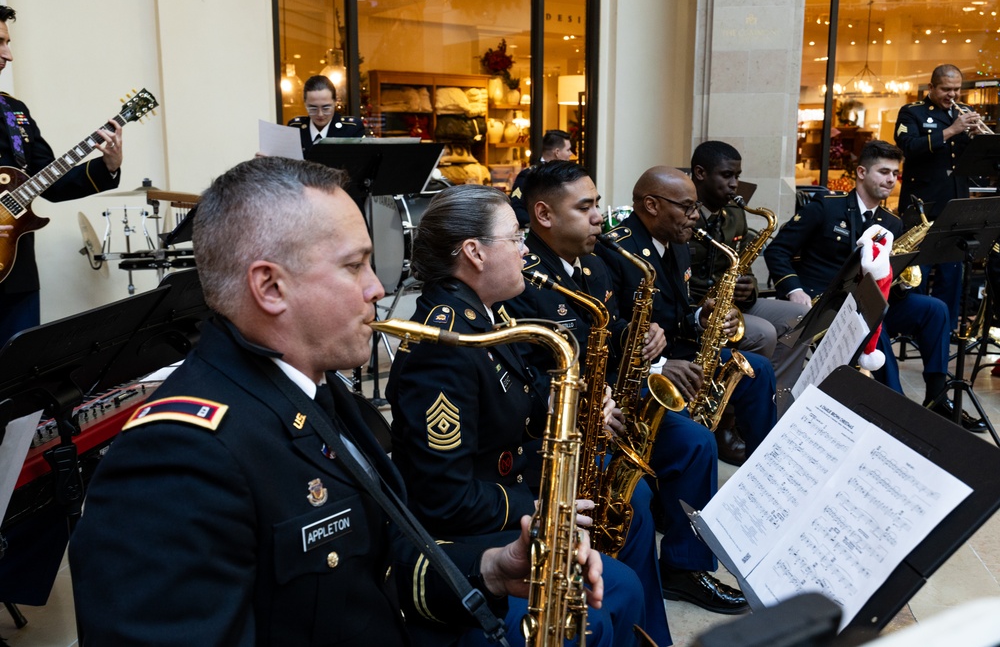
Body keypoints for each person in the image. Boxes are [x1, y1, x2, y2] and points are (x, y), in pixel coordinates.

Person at [69, 158, 604, 646]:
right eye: (355, 266)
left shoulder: (317, 390)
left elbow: (376, 562)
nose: (377, 288)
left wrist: (490, 568)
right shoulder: (176, 456)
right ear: (271, 287)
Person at [385, 184, 646, 646]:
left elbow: (513, 401)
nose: (527, 249)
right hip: (465, 536)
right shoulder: (445, 347)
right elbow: (444, 499)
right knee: (610, 595)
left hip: (506, 493)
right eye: (516, 237)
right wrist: (542, 509)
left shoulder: (485, 316)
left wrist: (578, 406)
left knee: (628, 541)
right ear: (474, 253)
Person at [500, 160, 747, 627]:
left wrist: (647, 338)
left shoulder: (593, 264)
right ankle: (631, 619)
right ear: (544, 215)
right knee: (631, 507)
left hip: (617, 402)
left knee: (695, 443)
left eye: (597, 204)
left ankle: (684, 567)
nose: (600, 216)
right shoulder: (522, 278)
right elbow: (527, 372)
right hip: (572, 422)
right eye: (587, 207)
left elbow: (608, 330)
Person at [764, 140, 985, 432]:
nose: (891, 179)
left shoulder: (891, 223)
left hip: (869, 302)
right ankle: (896, 410)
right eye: (883, 171)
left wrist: (901, 281)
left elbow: (886, 275)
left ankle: (937, 396)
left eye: (895, 173)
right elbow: (777, 251)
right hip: (826, 305)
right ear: (861, 172)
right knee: (872, 317)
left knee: (934, 309)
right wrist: (794, 290)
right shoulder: (825, 208)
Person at [596, 167, 778, 456]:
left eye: (696, 206)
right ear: (652, 205)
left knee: (759, 369)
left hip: (682, 355)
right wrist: (656, 366)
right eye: (687, 207)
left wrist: (700, 317)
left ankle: (762, 462)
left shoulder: (678, 242)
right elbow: (610, 332)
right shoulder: (616, 250)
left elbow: (678, 308)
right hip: (640, 371)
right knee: (691, 434)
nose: (695, 215)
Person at [0, 5, 123, 343]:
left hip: (17, 272)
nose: (8, 54)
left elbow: (48, 181)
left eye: (8, 42)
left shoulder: (15, 113)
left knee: (17, 377)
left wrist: (108, 165)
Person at [689, 141, 810, 427]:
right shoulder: (683, 213)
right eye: (727, 175)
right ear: (700, 173)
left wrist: (749, 287)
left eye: (737, 176)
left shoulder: (735, 213)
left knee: (799, 317)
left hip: (733, 303)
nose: (734, 185)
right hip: (699, 307)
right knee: (765, 333)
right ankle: (732, 418)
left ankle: (770, 405)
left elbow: (744, 266)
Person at [894, 64, 985, 330]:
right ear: (931, 87)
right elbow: (909, 147)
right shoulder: (912, 112)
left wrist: (978, 139)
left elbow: (974, 163)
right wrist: (953, 129)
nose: (952, 95)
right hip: (923, 204)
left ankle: (942, 329)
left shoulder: (964, 113)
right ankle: (912, 328)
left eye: (957, 89)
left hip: (956, 205)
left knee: (951, 274)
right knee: (917, 273)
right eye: (946, 89)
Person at [508, 129, 573, 227]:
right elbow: (517, 208)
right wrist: (539, 225)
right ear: (557, 152)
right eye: (568, 150)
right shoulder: (528, 175)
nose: (570, 154)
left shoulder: (567, 176)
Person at [288, 75, 365, 151]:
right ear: (305, 104)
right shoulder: (295, 129)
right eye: (313, 108)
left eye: (326, 108)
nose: (320, 114)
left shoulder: (351, 129)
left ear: (335, 102)